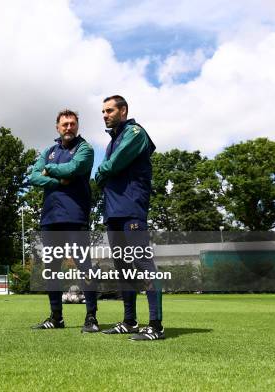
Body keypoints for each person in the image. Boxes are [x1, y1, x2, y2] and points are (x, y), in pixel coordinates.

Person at [95, 95, 164, 340]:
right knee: (123, 269)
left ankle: (156, 325)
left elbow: (110, 167)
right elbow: (102, 174)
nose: (105, 115)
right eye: (103, 111)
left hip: (131, 209)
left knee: (143, 266)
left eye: (110, 110)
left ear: (123, 110)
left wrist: (104, 171)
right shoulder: (112, 141)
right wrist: (104, 172)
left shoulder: (135, 133)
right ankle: (129, 321)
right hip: (112, 213)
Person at [29, 109, 99, 332]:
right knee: (52, 269)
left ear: (77, 126)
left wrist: (49, 171)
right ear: (57, 127)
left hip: (75, 216)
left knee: (84, 267)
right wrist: (59, 181)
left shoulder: (85, 148)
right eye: (64, 124)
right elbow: (33, 176)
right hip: (50, 218)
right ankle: (56, 317)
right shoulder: (49, 150)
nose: (68, 127)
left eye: (72, 124)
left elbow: (75, 167)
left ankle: (91, 318)